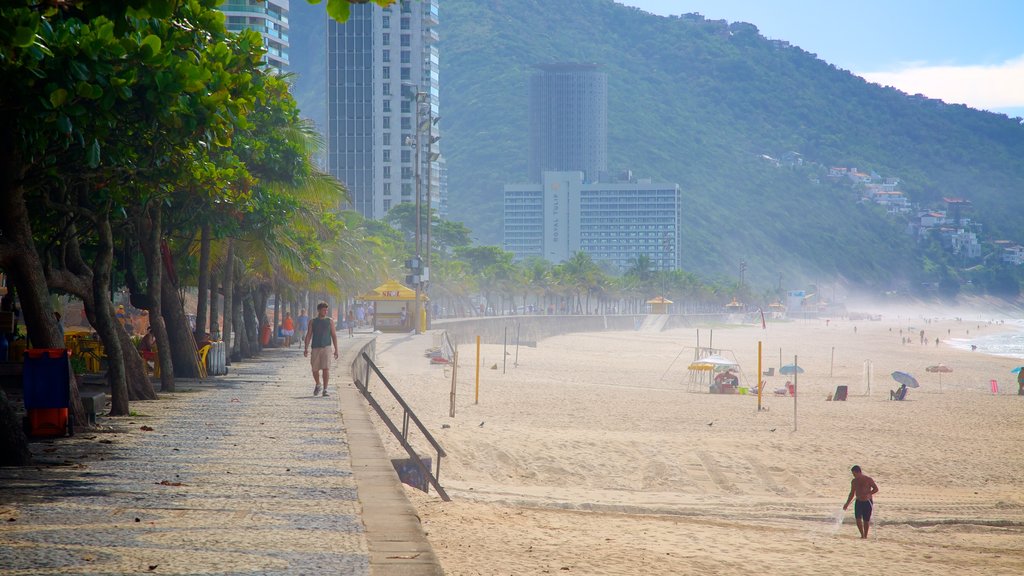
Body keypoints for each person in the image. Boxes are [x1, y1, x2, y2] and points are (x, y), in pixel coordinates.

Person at [303, 302, 338, 397]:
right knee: (315, 369)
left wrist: (336, 349)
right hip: (315, 348)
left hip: (326, 347)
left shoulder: (329, 321)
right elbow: (309, 335)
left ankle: (325, 389)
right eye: (324, 310)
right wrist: (306, 348)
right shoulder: (313, 321)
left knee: (326, 368)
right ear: (319, 310)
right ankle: (318, 384)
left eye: (326, 310)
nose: (325, 312)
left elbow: (334, 335)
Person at [843, 465, 879, 539]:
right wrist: (847, 503)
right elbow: (852, 493)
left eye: (854, 474)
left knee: (866, 520)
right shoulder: (854, 481)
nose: (854, 476)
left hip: (867, 502)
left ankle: (865, 535)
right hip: (859, 501)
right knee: (858, 519)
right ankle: (862, 535)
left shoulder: (868, 479)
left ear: (859, 472)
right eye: (853, 474)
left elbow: (876, 489)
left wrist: (868, 494)